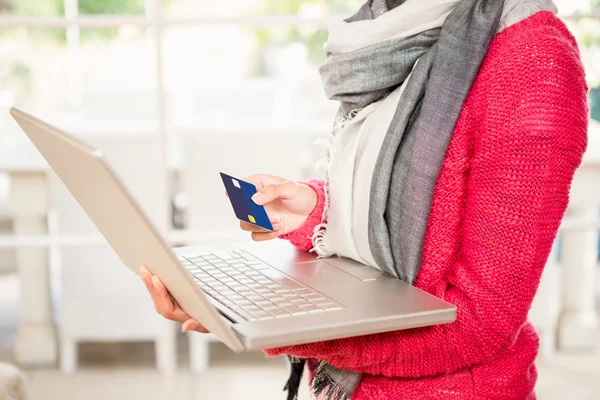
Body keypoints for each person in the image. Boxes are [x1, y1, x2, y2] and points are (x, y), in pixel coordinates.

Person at [139, 0, 589, 398]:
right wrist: (316, 210)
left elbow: (479, 325)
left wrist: (261, 323)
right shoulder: (389, 26)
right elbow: (403, 206)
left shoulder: (532, 58)